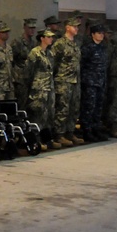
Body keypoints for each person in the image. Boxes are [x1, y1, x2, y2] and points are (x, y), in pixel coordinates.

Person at [49, 16, 83, 146]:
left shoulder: (75, 43)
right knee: (63, 108)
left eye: (77, 26)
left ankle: (70, 132)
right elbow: (54, 62)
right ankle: (59, 134)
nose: (76, 28)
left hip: (75, 81)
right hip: (63, 81)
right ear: (67, 27)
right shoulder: (60, 43)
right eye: (74, 26)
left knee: (74, 109)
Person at [25, 28, 58, 150]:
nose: (51, 39)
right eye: (48, 37)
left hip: (49, 87)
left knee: (48, 114)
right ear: (42, 38)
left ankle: (47, 139)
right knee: (38, 115)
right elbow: (28, 72)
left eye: (52, 37)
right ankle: (36, 140)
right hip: (39, 88)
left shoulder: (50, 53)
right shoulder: (35, 53)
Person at [79, 23, 108, 142]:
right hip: (90, 83)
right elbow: (82, 65)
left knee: (98, 107)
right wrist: (86, 80)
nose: (101, 35)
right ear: (92, 34)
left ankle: (96, 128)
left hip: (100, 82)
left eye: (102, 33)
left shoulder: (103, 47)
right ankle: (86, 130)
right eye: (98, 33)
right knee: (88, 107)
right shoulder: (87, 48)